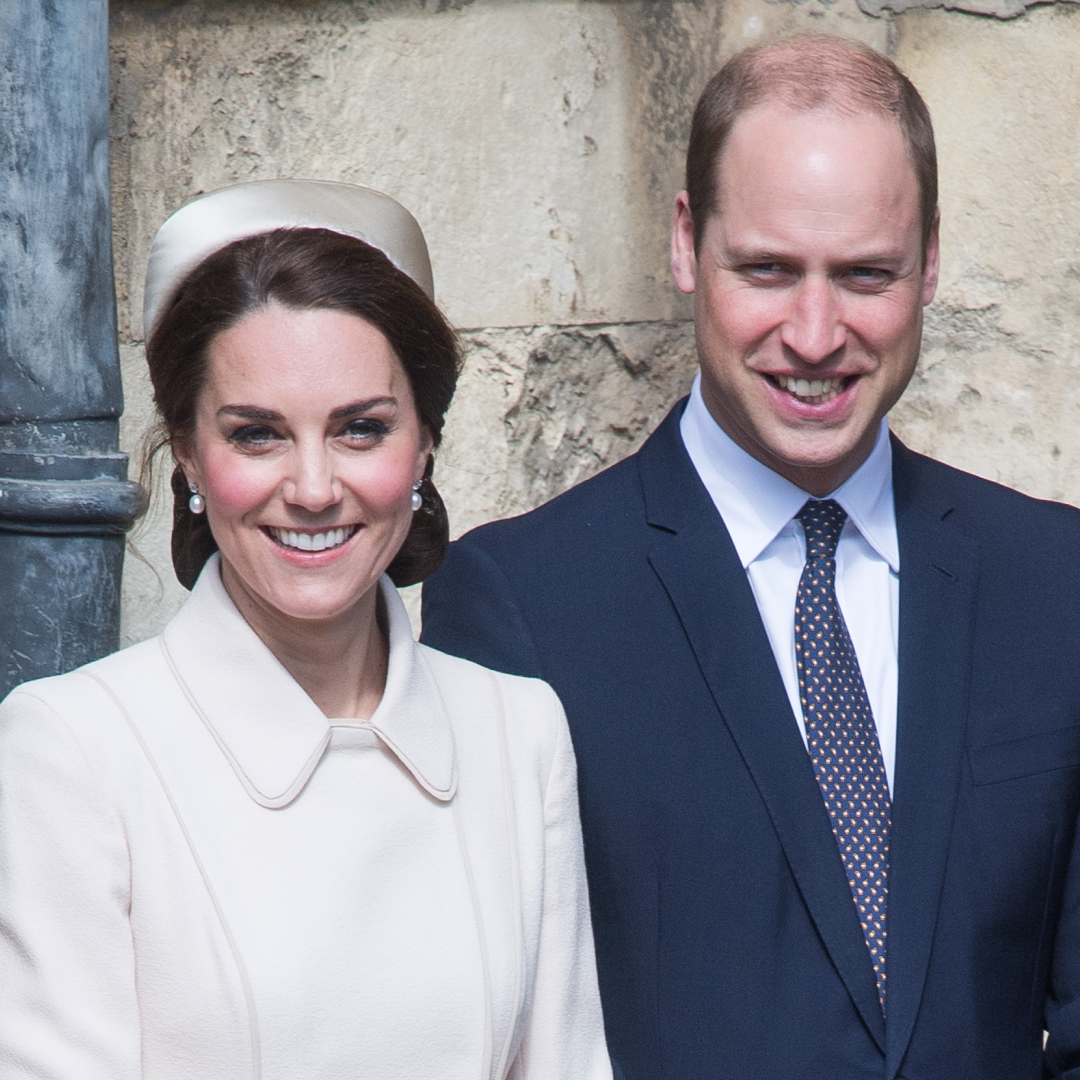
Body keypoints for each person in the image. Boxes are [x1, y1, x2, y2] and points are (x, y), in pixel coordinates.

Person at [421, 36, 1080, 1080]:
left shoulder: (1056, 583)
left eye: (866, 274)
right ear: (687, 243)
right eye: (768, 270)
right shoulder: (522, 606)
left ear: (934, 261)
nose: (815, 334)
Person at [0, 179, 613, 1080]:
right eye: (259, 436)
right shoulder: (75, 750)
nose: (316, 486)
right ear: (188, 451)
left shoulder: (518, 734)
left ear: (425, 446)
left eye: (362, 429)